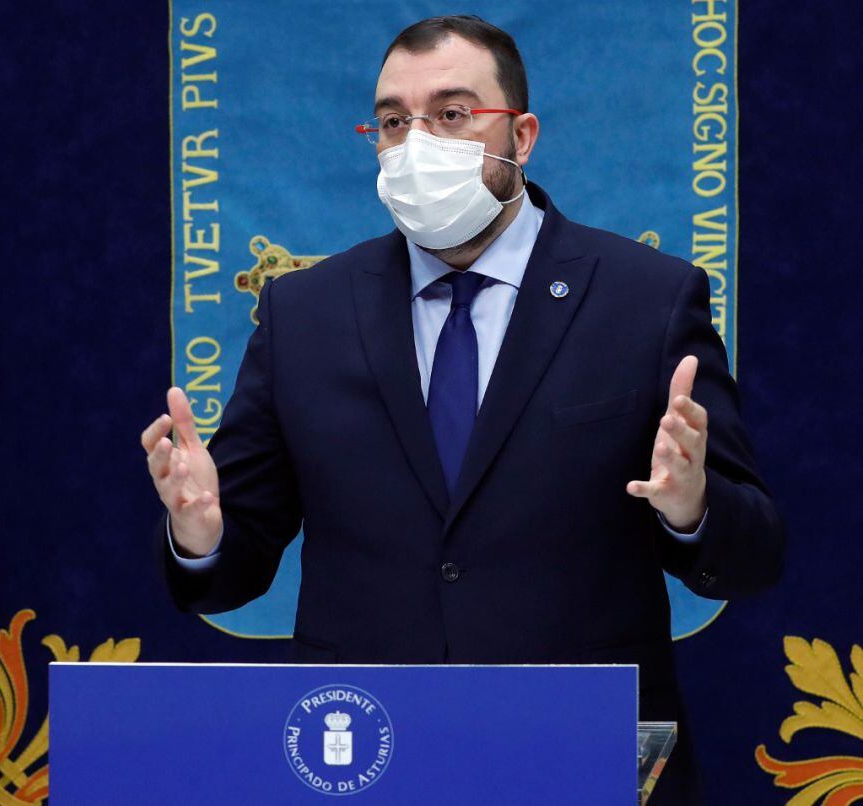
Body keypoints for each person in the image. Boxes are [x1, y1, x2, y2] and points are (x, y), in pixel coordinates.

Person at [141, 16, 784, 804]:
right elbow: (229, 568)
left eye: (450, 114)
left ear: (521, 134)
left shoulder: (645, 300)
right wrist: (202, 532)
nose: (416, 144)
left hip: (579, 759)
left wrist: (691, 510)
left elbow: (754, 556)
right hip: (365, 760)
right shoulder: (303, 314)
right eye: (391, 121)